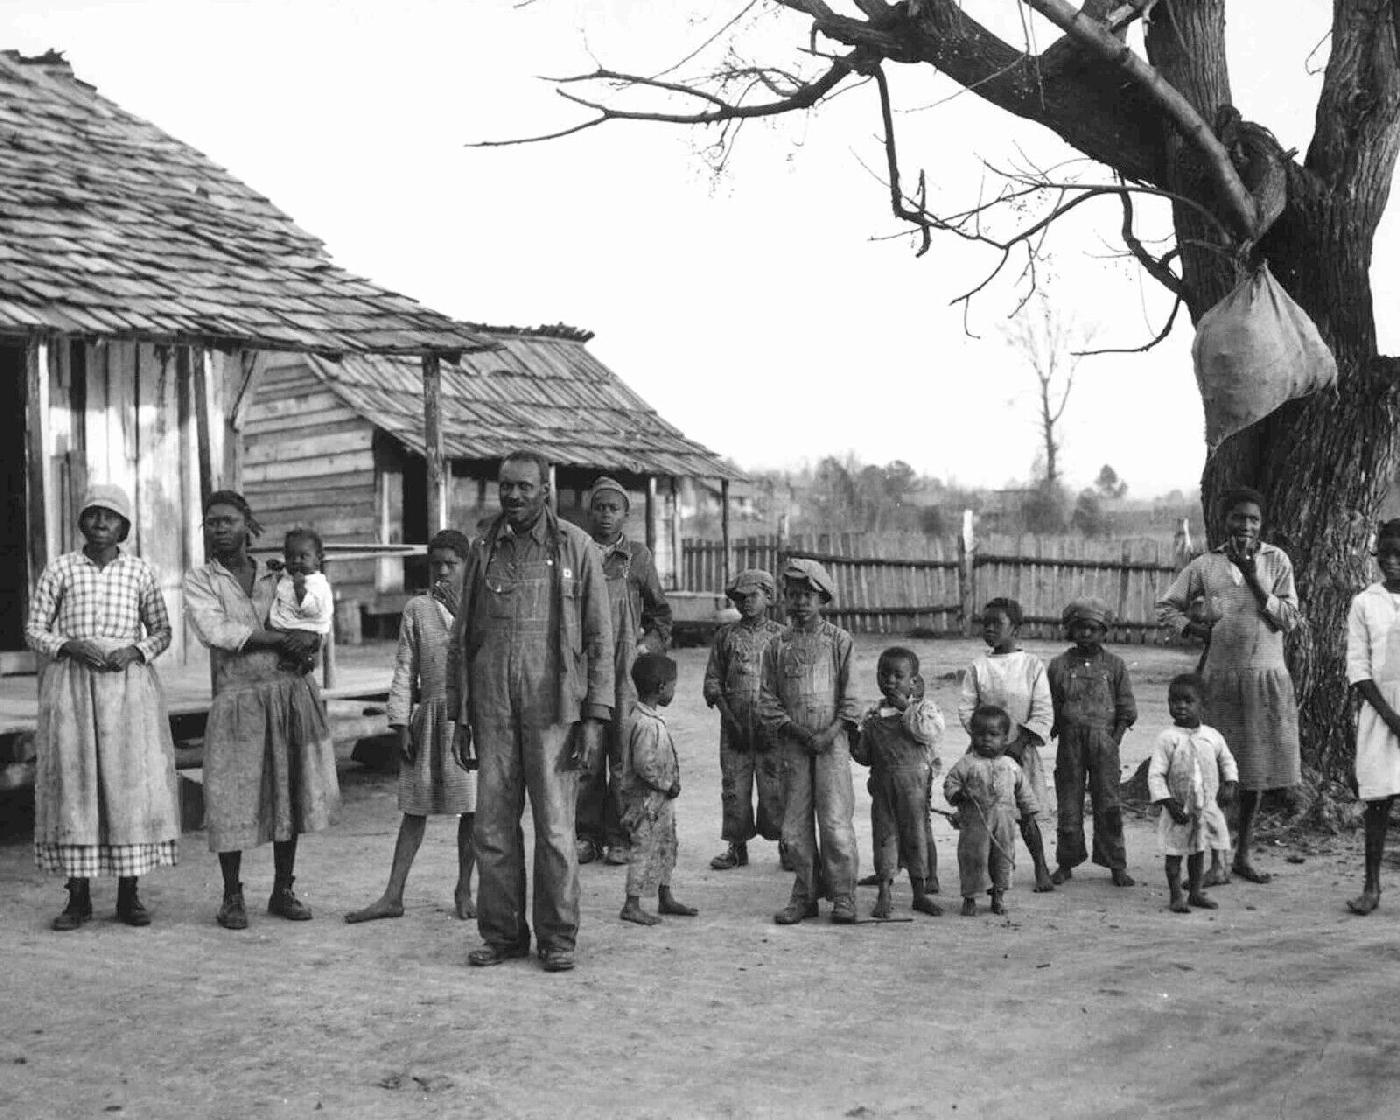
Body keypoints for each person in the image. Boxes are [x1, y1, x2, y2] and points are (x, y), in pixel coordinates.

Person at [448, 450, 614, 973]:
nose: (513, 496)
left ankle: (558, 937)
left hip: (555, 711)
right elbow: (462, 639)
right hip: (493, 707)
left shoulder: (577, 547)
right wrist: (461, 717)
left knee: (556, 828)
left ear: (546, 489)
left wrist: (593, 718)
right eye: (506, 487)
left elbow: (599, 639)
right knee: (492, 828)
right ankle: (501, 936)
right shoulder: (483, 548)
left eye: (524, 486)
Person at [184, 490, 341, 930]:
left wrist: (310, 644)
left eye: (228, 520)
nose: (220, 528)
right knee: (230, 794)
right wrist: (278, 639)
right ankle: (232, 896)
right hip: (237, 697)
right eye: (212, 521)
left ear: (247, 524)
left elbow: (312, 617)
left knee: (287, 788)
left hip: (288, 690)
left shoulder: (278, 574)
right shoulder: (201, 580)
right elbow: (217, 630)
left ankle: (283, 889)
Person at [25, 484, 180, 930]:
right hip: (72, 687)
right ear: (81, 522)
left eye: (110, 517)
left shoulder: (140, 572)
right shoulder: (60, 570)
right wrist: (69, 645)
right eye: (92, 514)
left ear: (124, 528)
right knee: (77, 784)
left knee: (127, 783)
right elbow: (35, 629)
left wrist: (135, 651)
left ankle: (129, 895)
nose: (100, 523)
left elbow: (162, 630)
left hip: (127, 690)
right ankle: (78, 898)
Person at [1156, 486, 1300, 885]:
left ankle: (1244, 854)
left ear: (1262, 523)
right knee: (1212, 771)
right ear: (1226, 521)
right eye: (1239, 517)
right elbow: (1166, 606)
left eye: (1254, 519)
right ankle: (1213, 859)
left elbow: (1288, 619)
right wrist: (1194, 628)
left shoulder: (1276, 561)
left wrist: (1254, 579)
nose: (1247, 526)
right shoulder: (1206, 565)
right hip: (1219, 681)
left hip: (1264, 679)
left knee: (1253, 774)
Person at [345, 530, 476, 925]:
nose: (442, 571)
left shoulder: (479, 607)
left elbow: (481, 658)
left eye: (451, 564)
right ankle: (393, 894)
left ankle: (463, 889)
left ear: (467, 567)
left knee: (472, 809)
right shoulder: (417, 609)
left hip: (467, 721)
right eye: (436, 564)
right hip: (430, 719)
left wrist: (465, 618)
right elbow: (405, 669)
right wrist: (401, 723)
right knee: (414, 808)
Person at [575, 476, 672, 867]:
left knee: (625, 757)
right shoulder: (577, 553)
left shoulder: (638, 557)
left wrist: (647, 647)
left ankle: (620, 835)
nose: (605, 515)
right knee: (587, 754)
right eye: (599, 507)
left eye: (613, 509)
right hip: (585, 671)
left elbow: (660, 614)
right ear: (590, 511)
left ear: (626, 515)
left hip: (626, 675)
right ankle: (586, 835)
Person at [759, 558, 861, 925]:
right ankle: (805, 893)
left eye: (808, 596)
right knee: (795, 825)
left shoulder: (839, 641)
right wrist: (798, 733)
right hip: (794, 746)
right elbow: (767, 698)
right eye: (794, 595)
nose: (801, 602)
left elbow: (851, 698)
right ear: (785, 599)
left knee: (834, 822)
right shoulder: (776, 645)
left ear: (823, 599)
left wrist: (831, 733)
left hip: (832, 746)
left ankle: (843, 895)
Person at [957, 597, 1055, 892]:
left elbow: (1042, 710)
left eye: (996, 624)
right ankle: (985, 877)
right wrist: (984, 740)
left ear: (1016, 628)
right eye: (984, 624)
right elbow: (966, 708)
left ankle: (1040, 866)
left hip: (1019, 752)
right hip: (984, 753)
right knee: (983, 813)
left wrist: (1018, 742)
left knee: (1026, 813)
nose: (988, 629)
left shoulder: (1031, 666)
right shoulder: (979, 667)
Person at [1046, 597, 1138, 887]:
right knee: (1068, 805)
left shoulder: (1115, 666)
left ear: (1104, 631)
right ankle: (1066, 863)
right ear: (1070, 630)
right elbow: (1051, 706)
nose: (1086, 634)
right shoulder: (1058, 666)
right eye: (1080, 628)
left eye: (1092, 628)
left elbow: (1126, 710)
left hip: (1105, 744)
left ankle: (1116, 865)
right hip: (1070, 745)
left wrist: (1114, 742)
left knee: (1108, 805)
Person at [852, 646, 945, 919]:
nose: (890, 680)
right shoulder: (872, 715)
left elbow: (931, 732)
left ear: (913, 682)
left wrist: (907, 709)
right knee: (884, 838)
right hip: (883, 788)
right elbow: (865, 756)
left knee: (916, 837)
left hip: (914, 790)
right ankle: (884, 892)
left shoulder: (923, 710)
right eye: (884, 674)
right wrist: (852, 741)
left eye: (897, 675)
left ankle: (919, 894)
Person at [702, 567, 785, 871]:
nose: (746, 603)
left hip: (772, 730)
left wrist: (775, 724)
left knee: (775, 787)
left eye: (753, 596)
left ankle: (786, 844)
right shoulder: (726, 636)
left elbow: (788, 688)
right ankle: (737, 847)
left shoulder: (781, 637)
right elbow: (713, 682)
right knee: (734, 787)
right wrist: (730, 719)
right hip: (734, 729)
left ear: (769, 597)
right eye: (739, 598)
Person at [1343, 519, 1400, 915]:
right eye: (1387, 552)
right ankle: (1371, 886)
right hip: (1382, 712)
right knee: (1378, 801)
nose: (1394, 561)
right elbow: (1358, 667)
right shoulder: (1364, 602)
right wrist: (1391, 717)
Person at [1147, 674, 1238, 913]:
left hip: (1205, 807)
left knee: (1198, 851)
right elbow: (1156, 773)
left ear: (1202, 704)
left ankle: (1196, 891)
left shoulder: (1212, 736)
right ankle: (1176, 895)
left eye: (1188, 701)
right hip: (1178, 809)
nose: (1181, 706)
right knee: (1175, 853)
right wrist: (1167, 801)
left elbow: (1227, 761)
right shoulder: (1167, 738)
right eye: (1175, 701)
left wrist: (1230, 783)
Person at [618, 653, 698, 926]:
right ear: (661, 688)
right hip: (647, 801)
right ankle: (632, 903)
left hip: (659, 800)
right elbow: (644, 765)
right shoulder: (645, 724)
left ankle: (665, 895)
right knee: (644, 847)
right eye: (673, 686)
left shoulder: (648, 718)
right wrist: (667, 784)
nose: (674, 691)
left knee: (666, 844)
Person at [944, 705, 1038, 917]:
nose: (986, 739)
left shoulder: (1010, 765)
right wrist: (959, 794)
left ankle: (998, 896)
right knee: (973, 859)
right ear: (972, 736)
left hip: (1003, 824)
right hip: (975, 825)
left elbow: (1024, 791)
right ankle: (970, 898)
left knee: (1002, 860)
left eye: (993, 735)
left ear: (1005, 739)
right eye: (980, 734)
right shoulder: (967, 764)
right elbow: (950, 783)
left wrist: (1029, 814)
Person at [267, 527, 333, 675]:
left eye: (303, 556)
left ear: (318, 558)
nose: (296, 561)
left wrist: (300, 590)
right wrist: (278, 566)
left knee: (295, 645)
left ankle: (306, 660)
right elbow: (283, 573)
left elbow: (313, 610)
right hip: (288, 625)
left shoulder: (316, 583)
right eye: (290, 557)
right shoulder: (291, 574)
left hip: (307, 628)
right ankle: (294, 660)